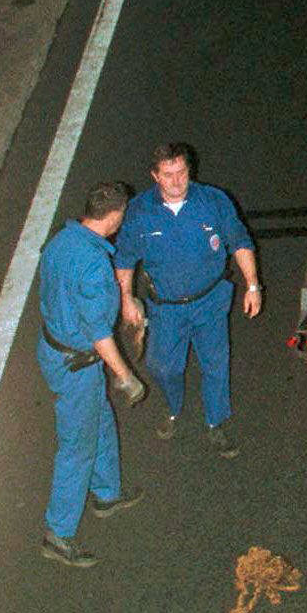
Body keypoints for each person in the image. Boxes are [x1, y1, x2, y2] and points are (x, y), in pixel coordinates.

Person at [114, 142, 261, 456]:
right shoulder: (140, 212)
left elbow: (239, 241)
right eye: (168, 175)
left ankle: (215, 421)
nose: (177, 181)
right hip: (166, 307)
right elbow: (124, 259)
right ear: (155, 176)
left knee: (215, 363)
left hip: (209, 301)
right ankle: (173, 407)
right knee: (163, 366)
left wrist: (252, 285)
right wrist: (126, 298)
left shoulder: (213, 201)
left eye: (182, 172)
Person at [38, 182, 146, 567]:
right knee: (76, 446)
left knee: (99, 419)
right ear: (114, 218)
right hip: (77, 365)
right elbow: (100, 334)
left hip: (53, 347)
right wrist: (126, 377)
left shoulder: (60, 242)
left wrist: (123, 298)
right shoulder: (95, 264)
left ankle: (107, 492)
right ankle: (58, 532)